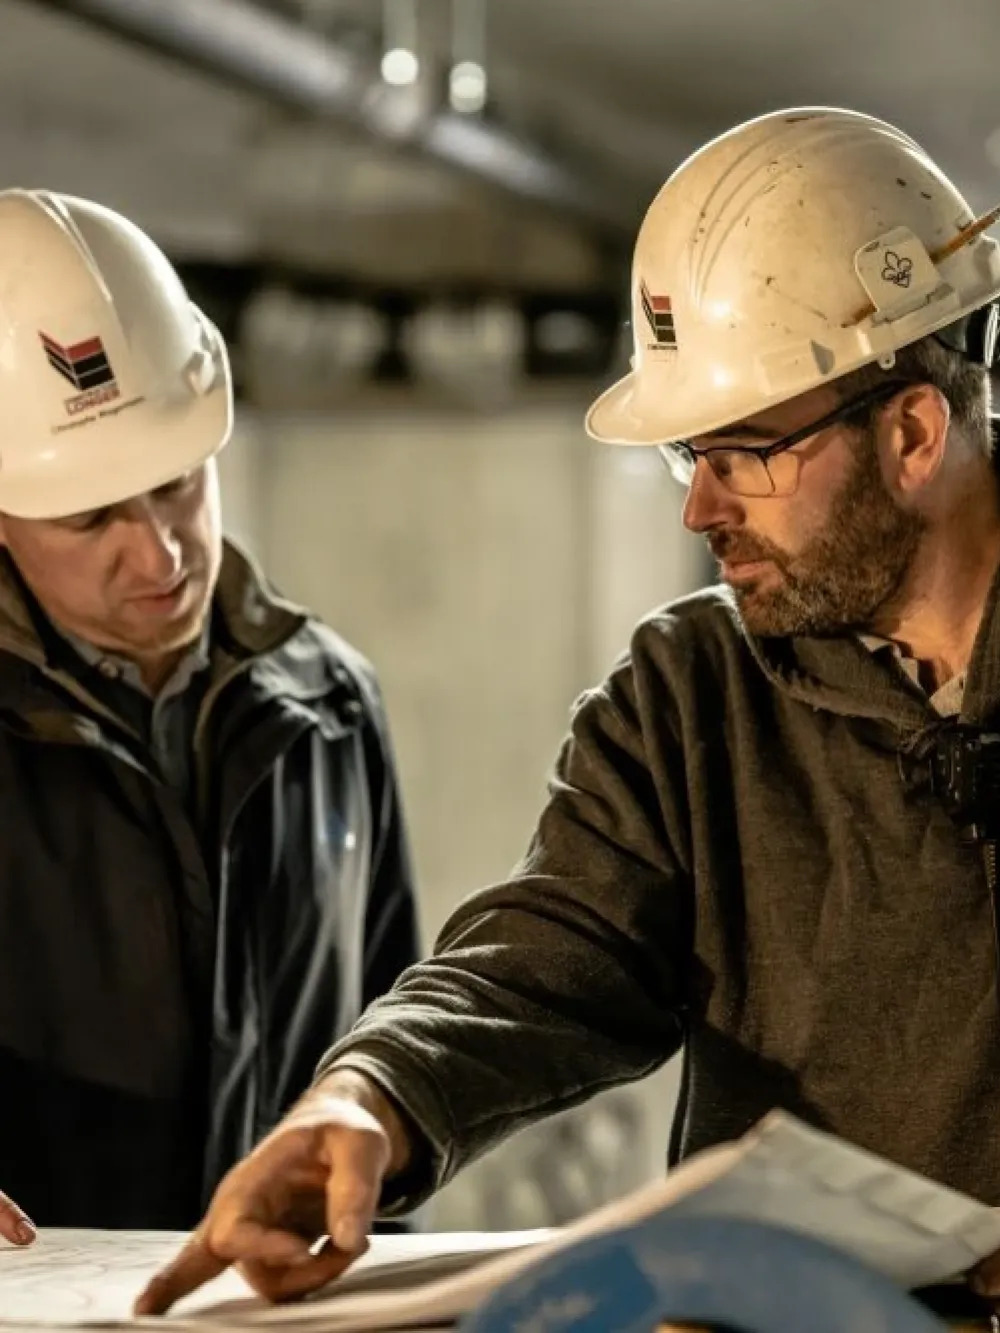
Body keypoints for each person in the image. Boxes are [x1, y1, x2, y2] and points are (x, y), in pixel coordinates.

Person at [135, 104, 1000, 1315]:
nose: (700, 510)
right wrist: (367, 1098)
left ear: (910, 433)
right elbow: (543, 957)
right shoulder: (691, 693)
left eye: (741, 455)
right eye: (686, 457)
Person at [0, 188, 419, 1240]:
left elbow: (393, 1059)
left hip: (283, 1298)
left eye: (180, 482)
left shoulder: (330, 707)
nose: (160, 553)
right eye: (90, 517)